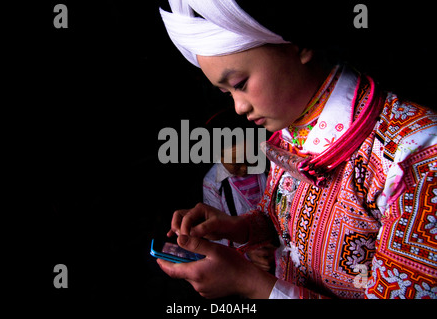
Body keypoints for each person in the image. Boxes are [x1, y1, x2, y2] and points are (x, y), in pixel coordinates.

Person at [156, 0, 437, 299]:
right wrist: (239, 227)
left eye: (241, 83)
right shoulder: (291, 124)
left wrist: (249, 284)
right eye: (227, 93)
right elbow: (286, 217)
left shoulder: (416, 158)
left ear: (299, 46)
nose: (238, 107)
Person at [202, 109, 275, 272]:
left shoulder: (268, 166)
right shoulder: (212, 184)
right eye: (235, 164)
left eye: (248, 159)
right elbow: (218, 236)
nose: (244, 168)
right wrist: (247, 253)